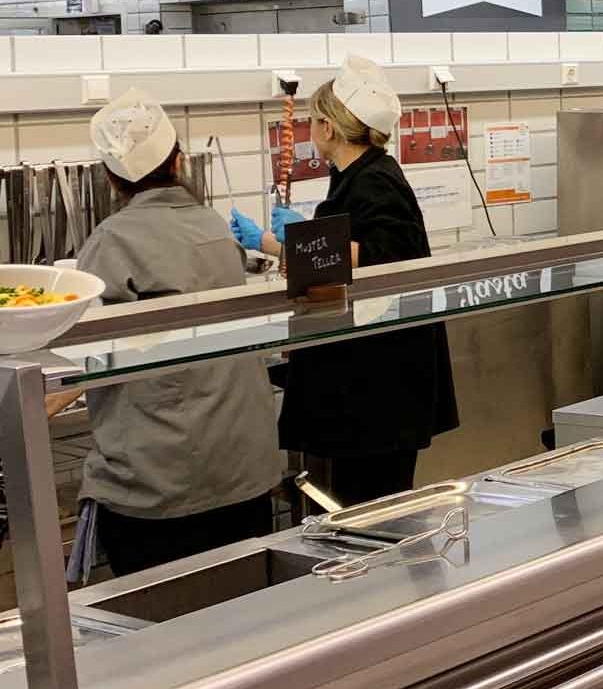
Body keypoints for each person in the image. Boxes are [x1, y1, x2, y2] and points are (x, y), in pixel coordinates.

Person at [70, 90, 283, 576]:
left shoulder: (110, 242)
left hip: (161, 487)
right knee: (247, 621)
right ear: (179, 161)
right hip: (244, 472)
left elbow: (86, 358)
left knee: (164, 635)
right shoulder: (213, 227)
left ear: (110, 179)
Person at [233, 55, 458, 505]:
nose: (309, 130)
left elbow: (382, 257)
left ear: (329, 128)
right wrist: (276, 244)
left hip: (379, 389)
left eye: (313, 121)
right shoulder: (356, 176)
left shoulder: (375, 181)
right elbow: (343, 257)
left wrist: (290, 240)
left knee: (374, 509)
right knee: (364, 505)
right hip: (369, 384)